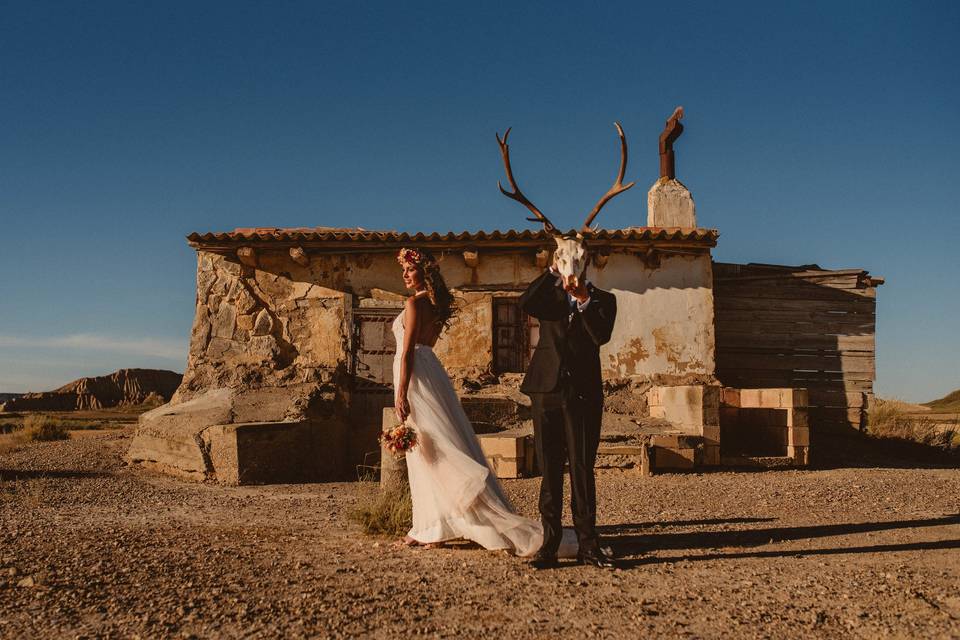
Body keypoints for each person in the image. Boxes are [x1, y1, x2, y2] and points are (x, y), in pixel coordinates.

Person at [392, 247, 576, 558]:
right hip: (429, 371)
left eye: (409, 270)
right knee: (431, 445)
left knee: (430, 448)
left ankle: (432, 526)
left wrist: (400, 391)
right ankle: (433, 524)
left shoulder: (413, 304)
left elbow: (408, 350)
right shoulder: (436, 306)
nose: (405, 275)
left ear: (424, 271)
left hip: (416, 377)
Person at [520, 252, 618, 569]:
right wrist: (551, 271)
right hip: (546, 390)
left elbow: (599, 335)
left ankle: (588, 546)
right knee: (549, 469)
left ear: (586, 262)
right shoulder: (550, 295)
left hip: (583, 394)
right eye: (564, 261)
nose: (570, 266)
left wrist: (584, 299)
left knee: (581, 469)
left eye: (575, 261)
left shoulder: (604, 300)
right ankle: (548, 546)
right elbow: (527, 302)